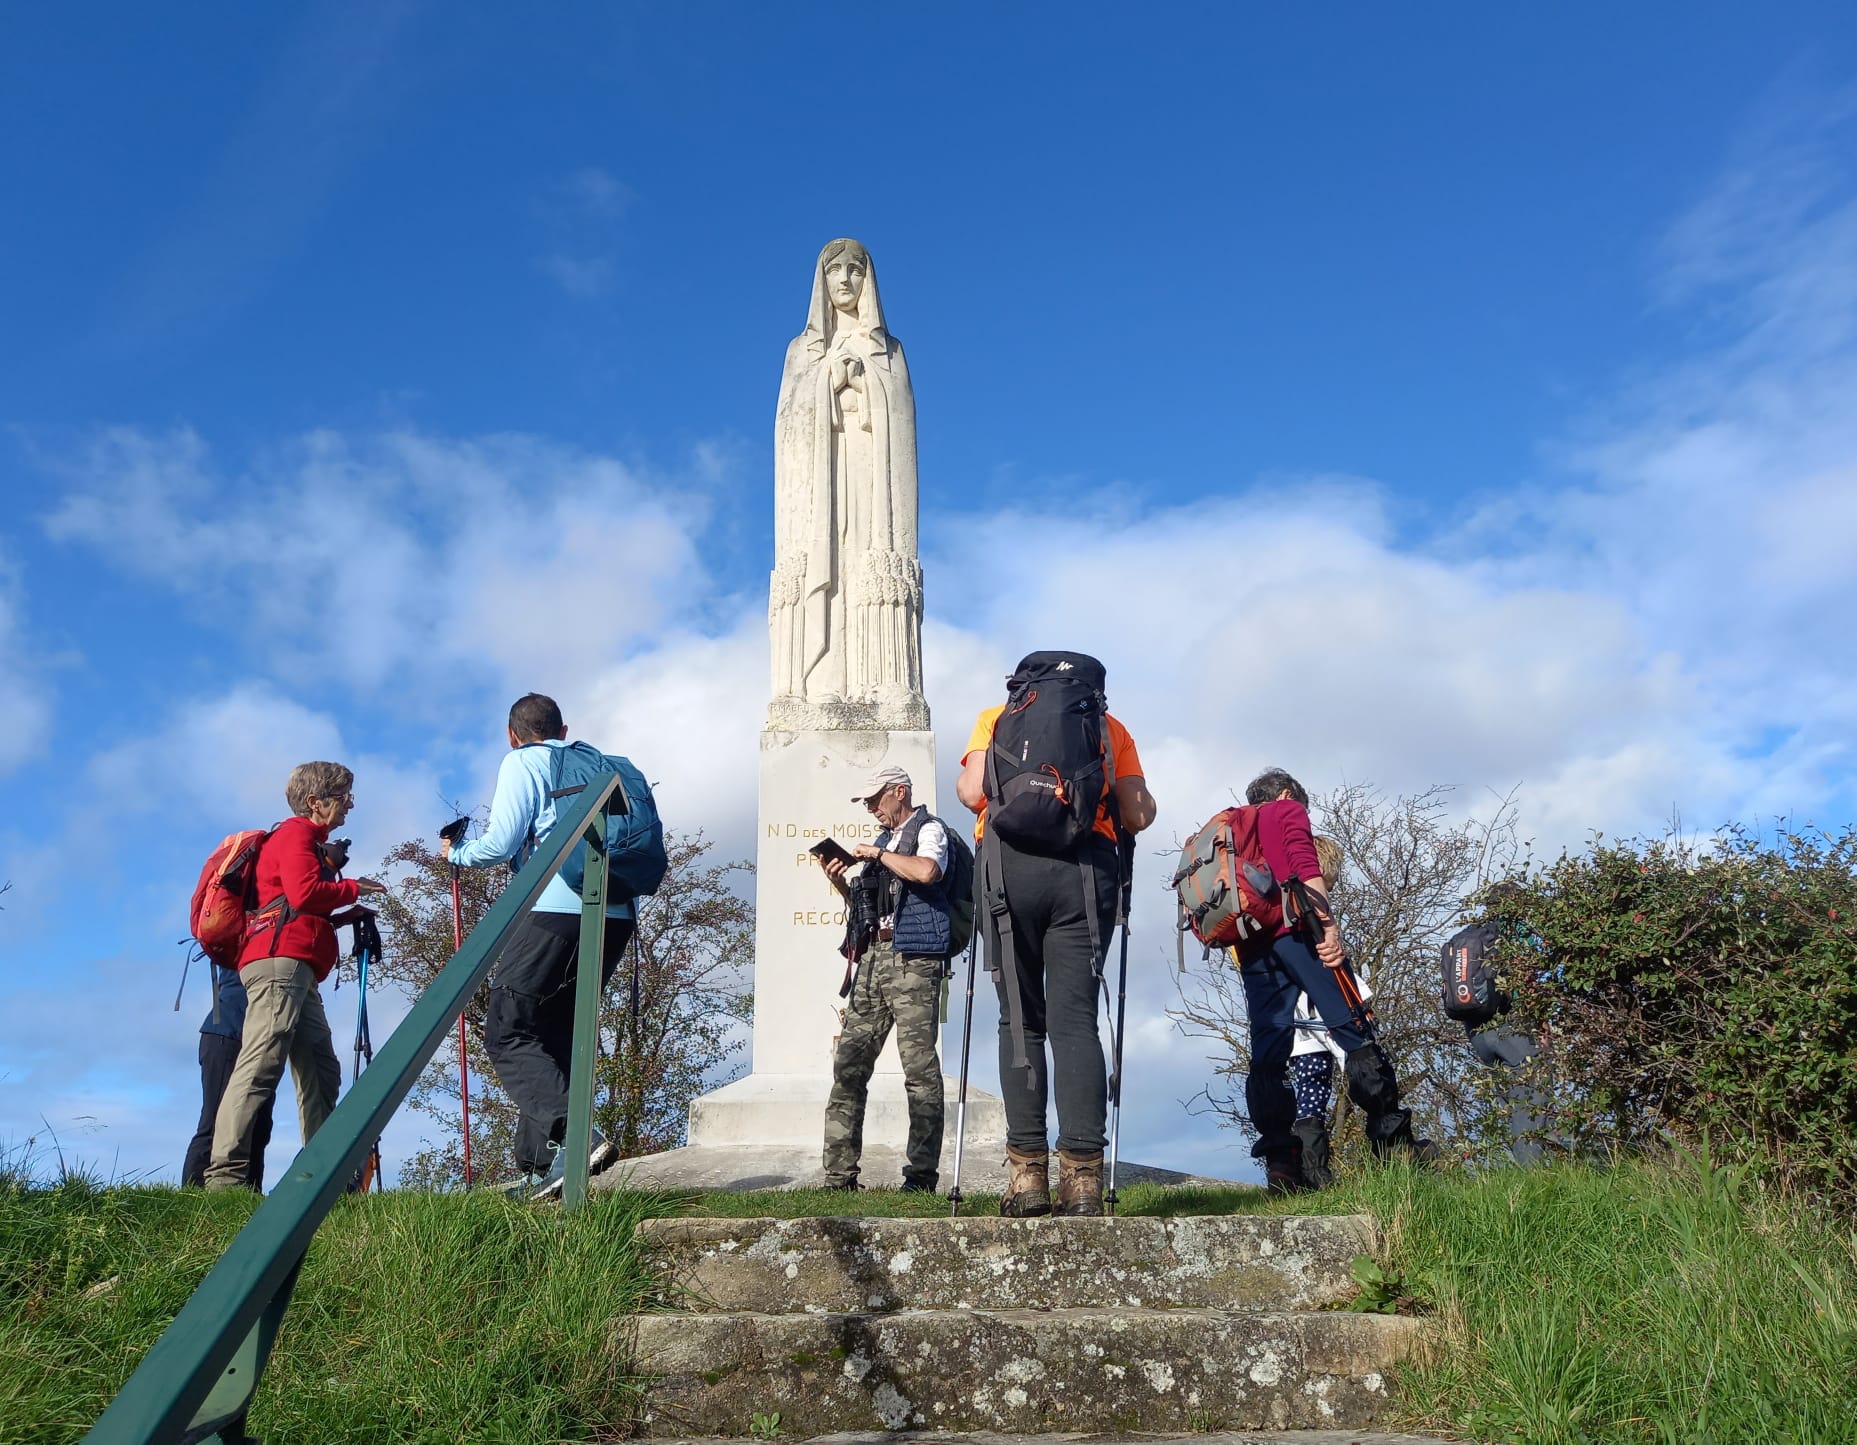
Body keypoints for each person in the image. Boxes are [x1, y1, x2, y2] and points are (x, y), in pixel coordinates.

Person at [956, 666, 1157, 1218]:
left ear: (1023, 687)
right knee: (1075, 1021)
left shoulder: (995, 720)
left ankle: (1027, 1179)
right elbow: (1137, 814)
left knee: (1018, 1020)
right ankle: (1084, 1181)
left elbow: (972, 791)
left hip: (1005, 870)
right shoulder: (1109, 728)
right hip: (1085, 875)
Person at [444, 693, 636, 1199]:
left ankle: (578, 1139)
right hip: (614, 913)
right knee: (551, 1034)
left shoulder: (523, 761)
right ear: (564, 728)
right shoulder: (600, 765)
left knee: (507, 1029)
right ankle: (539, 1168)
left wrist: (458, 853)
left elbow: (501, 843)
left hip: (556, 908)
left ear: (512, 733)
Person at [1235, 768, 1430, 1193]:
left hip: (1251, 945)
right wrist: (1328, 927)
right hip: (1295, 931)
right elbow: (1304, 867)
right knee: (1352, 1027)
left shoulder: (1234, 826)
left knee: (1268, 1053)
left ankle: (1283, 1166)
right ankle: (1394, 1145)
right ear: (1288, 794)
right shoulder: (1285, 810)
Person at [204, 763, 386, 1190]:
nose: (349, 806)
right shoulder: (296, 834)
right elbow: (305, 894)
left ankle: (323, 1180)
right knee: (261, 1063)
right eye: (343, 797)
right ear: (315, 801)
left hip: (293, 966)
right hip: (279, 966)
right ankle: (224, 1179)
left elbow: (295, 904)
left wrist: (343, 917)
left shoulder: (302, 839)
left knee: (321, 1070)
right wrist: (353, 888)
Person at [815, 765, 952, 1192]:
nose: (872, 808)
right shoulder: (881, 841)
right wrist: (841, 884)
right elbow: (866, 908)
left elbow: (928, 872)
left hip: (914, 960)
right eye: (867, 802)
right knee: (849, 1066)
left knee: (920, 1071)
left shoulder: (929, 829)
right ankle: (838, 1177)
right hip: (872, 959)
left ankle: (921, 1177)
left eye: (876, 799)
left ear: (900, 791)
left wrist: (877, 856)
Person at [1283, 834, 1361, 1190]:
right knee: (1328, 1087)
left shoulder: (1281, 908)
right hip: (1319, 1017)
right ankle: (1316, 1174)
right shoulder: (1310, 913)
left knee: (1309, 1095)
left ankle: (1307, 1172)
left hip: (1295, 1026)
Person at [181, 963, 273, 1190]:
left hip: (255, 1038)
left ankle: (249, 1196)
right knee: (216, 1121)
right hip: (228, 1034)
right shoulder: (248, 935)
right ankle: (192, 1195)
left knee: (259, 1124)